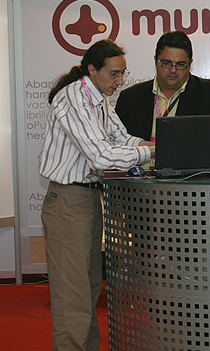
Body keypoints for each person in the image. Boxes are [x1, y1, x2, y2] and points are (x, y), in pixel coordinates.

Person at [39, 39, 154, 350]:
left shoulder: (99, 98)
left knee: (89, 288)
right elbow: (101, 156)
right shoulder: (73, 98)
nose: (119, 82)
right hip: (67, 202)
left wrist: (158, 145)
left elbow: (122, 138)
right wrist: (151, 153)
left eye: (122, 74)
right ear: (92, 70)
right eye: (113, 74)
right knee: (73, 296)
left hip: (88, 199)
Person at [115, 30, 210, 168]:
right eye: (166, 63)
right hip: (139, 181)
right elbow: (115, 144)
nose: (173, 70)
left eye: (180, 64)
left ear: (190, 64)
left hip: (189, 182)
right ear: (155, 60)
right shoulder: (130, 98)